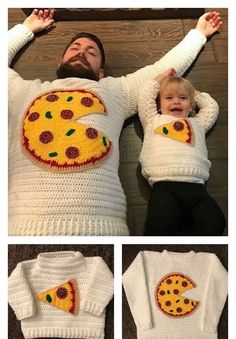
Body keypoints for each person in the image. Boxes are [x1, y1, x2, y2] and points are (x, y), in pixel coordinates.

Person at [8, 9, 222, 236]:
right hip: (21, 226)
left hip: (104, 225)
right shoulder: (21, 92)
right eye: (75, 49)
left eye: (91, 52)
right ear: (60, 61)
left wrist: (199, 34)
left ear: (100, 73)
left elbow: (164, 68)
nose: (81, 52)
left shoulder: (113, 91)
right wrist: (25, 29)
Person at [138, 69, 226, 235]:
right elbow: (145, 97)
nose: (176, 102)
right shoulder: (153, 120)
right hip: (163, 185)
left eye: (183, 98)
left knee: (215, 221)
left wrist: (195, 94)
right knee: (161, 223)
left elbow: (211, 107)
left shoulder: (197, 124)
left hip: (196, 186)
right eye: (169, 98)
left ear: (191, 105)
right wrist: (161, 77)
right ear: (159, 104)